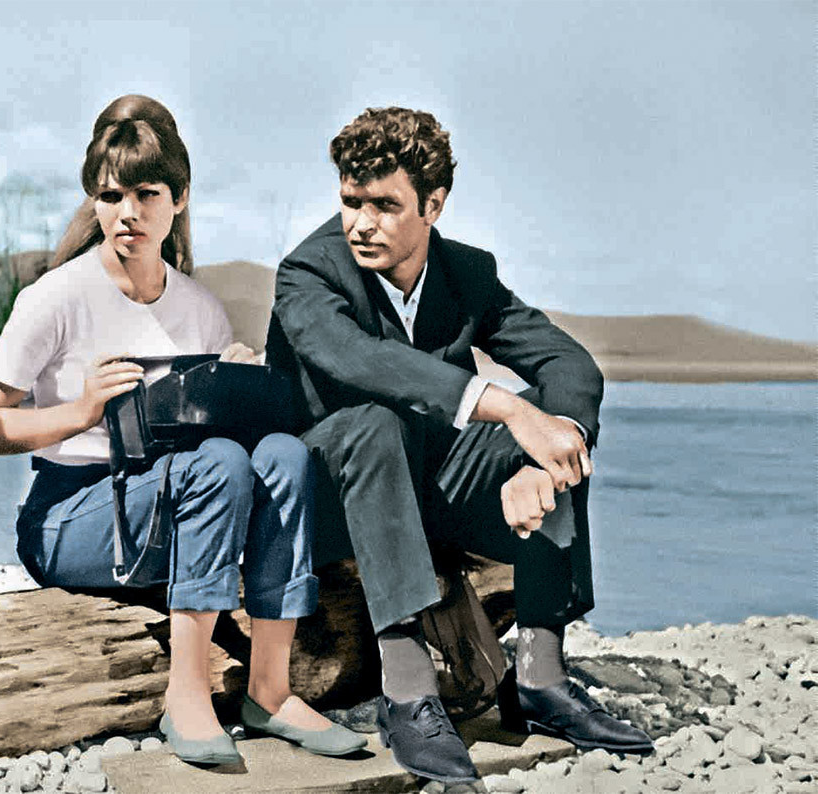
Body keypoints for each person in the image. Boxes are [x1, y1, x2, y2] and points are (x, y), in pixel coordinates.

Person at [0, 96, 364, 766]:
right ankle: (186, 693)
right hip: (68, 516)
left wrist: (238, 387)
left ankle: (270, 689)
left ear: (179, 199)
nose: (128, 212)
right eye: (110, 195)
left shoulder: (199, 308)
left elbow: (222, 447)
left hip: (171, 507)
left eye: (147, 194)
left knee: (283, 455)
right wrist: (81, 411)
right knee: (221, 465)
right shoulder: (55, 298)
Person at [266, 107, 654, 783]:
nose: (361, 223)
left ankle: (540, 679)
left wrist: (542, 458)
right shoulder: (308, 273)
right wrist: (505, 406)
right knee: (375, 422)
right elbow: (361, 360)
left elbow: (568, 362)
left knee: (556, 428)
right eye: (351, 202)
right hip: (329, 503)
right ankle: (407, 692)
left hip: (430, 492)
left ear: (433, 205)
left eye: (385, 205)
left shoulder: (466, 273)